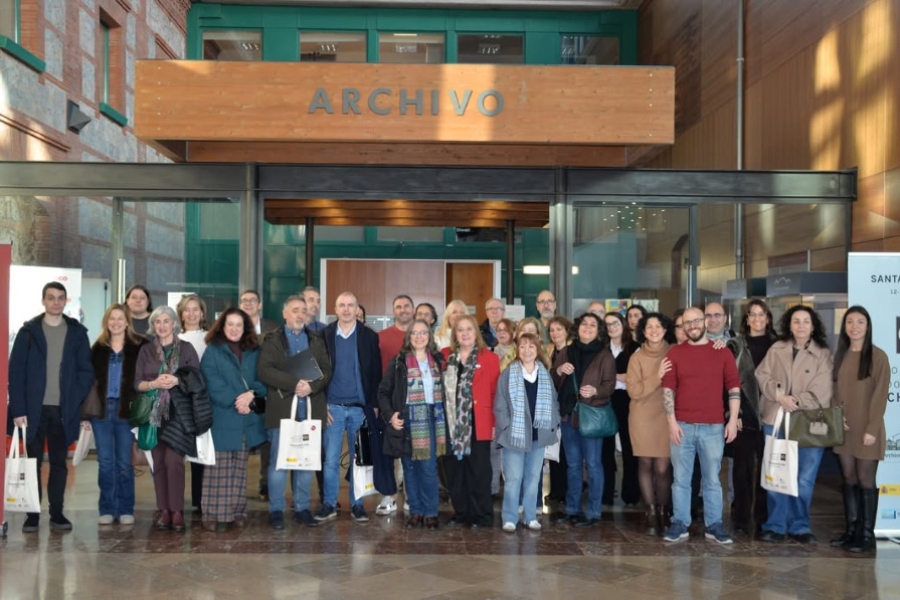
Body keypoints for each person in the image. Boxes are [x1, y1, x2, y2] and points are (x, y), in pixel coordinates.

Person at [8, 282, 95, 533]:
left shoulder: (77, 332)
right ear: (43, 301)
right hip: (33, 411)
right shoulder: (29, 332)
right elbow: (16, 372)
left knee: (58, 463)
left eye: (60, 298)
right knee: (32, 463)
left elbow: (85, 371)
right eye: (51, 298)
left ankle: (57, 514)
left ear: (66, 301)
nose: (56, 302)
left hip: (63, 411)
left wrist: (74, 395)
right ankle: (32, 515)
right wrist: (19, 409)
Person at [660, 306, 740, 545]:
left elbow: (734, 387)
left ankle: (714, 524)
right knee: (681, 479)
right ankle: (680, 522)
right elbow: (668, 391)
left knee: (712, 480)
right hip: (682, 426)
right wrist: (671, 423)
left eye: (696, 321)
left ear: (704, 321)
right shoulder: (674, 353)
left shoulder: (722, 352)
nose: (692, 325)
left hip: (713, 427)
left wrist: (733, 420)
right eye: (687, 323)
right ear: (683, 326)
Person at [755, 305, 833, 545]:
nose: (801, 325)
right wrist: (780, 397)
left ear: (813, 325)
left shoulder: (823, 354)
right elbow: (762, 375)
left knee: (804, 478)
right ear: (789, 324)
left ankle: (800, 526)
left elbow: (823, 390)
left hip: (809, 423)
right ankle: (775, 525)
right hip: (776, 419)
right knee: (777, 474)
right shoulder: (776, 349)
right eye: (796, 321)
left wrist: (796, 401)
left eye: (806, 321)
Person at [257, 295, 332, 530]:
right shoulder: (272, 340)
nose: (300, 314)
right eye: (295, 310)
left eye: (303, 310)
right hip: (283, 411)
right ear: (285, 314)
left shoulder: (316, 340)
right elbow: (265, 371)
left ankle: (301, 508)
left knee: (306, 462)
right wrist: (295, 383)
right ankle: (276, 510)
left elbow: (326, 371)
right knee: (279, 462)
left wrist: (311, 386)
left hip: (310, 409)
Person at [135, 305, 209, 533]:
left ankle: (176, 511)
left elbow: (197, 380)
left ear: (174, 324)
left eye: (166, 321)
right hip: (153, 415)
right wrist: (154, 384)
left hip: (178, 414)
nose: (162, 325)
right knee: (158, 464)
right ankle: (163, 511)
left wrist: (177, 381)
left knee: (173, 462)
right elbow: (136, 383)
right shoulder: (146, 350)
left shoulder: (186, 349)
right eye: (158, 322)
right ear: (153, 325)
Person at [318, 292, 388, 524]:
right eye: (342, 305)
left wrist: (374, 405)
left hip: (360, 408)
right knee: (330, 461)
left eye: (350, 305)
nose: (346, 309)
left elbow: (376, 373)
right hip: (333, 408)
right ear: (335, 309)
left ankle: (357, 505)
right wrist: (321, 404)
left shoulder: (369, 336)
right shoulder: (324, 335)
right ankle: (329, 503)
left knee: (361, 459)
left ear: (357, 308)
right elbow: (316, 372)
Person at [198, 308, 268, 531]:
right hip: (222, 417)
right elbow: (212, 383)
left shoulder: (255, 351)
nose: (235, 329)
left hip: (246, 420)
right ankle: (211, 514)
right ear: (222, 326)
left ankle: (236, 511)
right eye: (230, 324)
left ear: (245, 328)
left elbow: (263, 378)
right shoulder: (212, 351)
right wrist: (238, 400)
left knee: (240, 468)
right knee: (218, 469)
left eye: (239, 325)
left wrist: (251, 396)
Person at [378, 319, 449, 530]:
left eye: (423, 332)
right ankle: (416, 511)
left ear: (429, 336)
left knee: (427, 469)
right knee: (409, 468)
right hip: (408, 418)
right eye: (415, 333)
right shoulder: (399, 361)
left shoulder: (438, 360)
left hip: (431, 417)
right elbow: (383, 392)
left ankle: (430, 513)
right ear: (409, 337)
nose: (419, 336)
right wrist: (390, 415)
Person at [831, 306, 890, 553]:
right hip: (844, 427)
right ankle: (852, 530)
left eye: (860, 322)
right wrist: (837, 418)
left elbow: (880, 395)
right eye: (850, 322)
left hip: (867, 428)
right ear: (844, 327)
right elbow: (835, 391)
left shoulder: (878, 356)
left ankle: (867, 535)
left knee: (866, 479)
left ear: (868, 326)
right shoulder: (841, 355)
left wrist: (872, 428)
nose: (855, 327)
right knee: (848, 478)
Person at [551, 312, 616, 527]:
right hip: (569, 416)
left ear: (599, 331)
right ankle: (572, 509)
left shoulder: (605, 355)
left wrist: (595, 391)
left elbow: (610, 385)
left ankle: (594, 512)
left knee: (594, 465)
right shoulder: (567, 351)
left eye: (593, 325)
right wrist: (559, 369)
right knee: (573, 465)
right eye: (584, 324)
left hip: (591, 417)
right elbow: (552, 376)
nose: (587, 327)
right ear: (577, 328)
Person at [87, 303, 148, 526]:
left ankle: (125, 508)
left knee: (124, 462)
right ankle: (106, 508)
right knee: (105, 462)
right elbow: (88, 382)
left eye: (120, 318)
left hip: (126, 412)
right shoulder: (98, 348)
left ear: (127, 321)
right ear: (106, 322)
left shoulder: (140, 346)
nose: (116, 322)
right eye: (111, 319)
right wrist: (85, 416)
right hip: (101, 412)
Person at [495, 333, 560, 532]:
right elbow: (500, 404)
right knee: (514, 478)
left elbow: (553, 402)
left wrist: (554, 422)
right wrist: (506, 426)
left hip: (537, 436)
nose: (527, 350)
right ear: (517, 349)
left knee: (533, 478)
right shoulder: (509, 373)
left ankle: (530, 516)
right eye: (523, 346)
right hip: (514, 436)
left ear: (537, 349)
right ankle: (510, 517)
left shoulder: (544, 373)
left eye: (531, 347)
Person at [442, 314, 501, 528]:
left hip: (479, 421)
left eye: (469, 329)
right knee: (455, 472)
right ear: (455, 334)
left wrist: (495, 423)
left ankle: (482, 516)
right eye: (460, 330)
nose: (465, 333)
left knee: (479, 471)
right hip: (451, 423)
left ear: (476, 332)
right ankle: (462, 513)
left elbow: (496, 394)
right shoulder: (445, 355)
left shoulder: (490, 358)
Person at [726, 299, 776, 535]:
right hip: (743, 414)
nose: (756, 319)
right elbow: (726, 381)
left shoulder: (778, 345)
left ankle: (763, 518)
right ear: (746, 319)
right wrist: (731, 413)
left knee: (767, 469)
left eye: (761, 314)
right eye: (752, 315)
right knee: (742, 469)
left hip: (772, 413)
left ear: (768, 317)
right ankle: (742, 518)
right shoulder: (734, 345)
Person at [626, 313, 673, 535]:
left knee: (662, 468)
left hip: (666, 416)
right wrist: (657, 376)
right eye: (649, 327)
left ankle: (664, 510)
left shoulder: (674, 352)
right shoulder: (636, 357)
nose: (654, 330)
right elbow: (634, 391)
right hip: (642, 415)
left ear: (665, 330)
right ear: (643, 331)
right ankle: (651, 512)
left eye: (659, 326)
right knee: (645, 464)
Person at [376, 294, 416, 517]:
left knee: (411, 453)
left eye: (406, 306)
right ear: (394, 311)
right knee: (387, 454)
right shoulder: (381, 337)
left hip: (414, 404)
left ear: (413, 309)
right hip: (387, 404)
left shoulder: (421, 337)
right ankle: (388, 494)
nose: (403, 310)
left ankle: (411, 495)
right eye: (398, 306)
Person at [239, 288, 279, 501]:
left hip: (267, 394)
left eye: (252, 300)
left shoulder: (273, 328)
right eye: (244, 300)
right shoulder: (233, 328)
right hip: (240, 395)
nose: (248, 304)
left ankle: (266, 486)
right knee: (241, 444)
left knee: (267, 443)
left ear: (260, 304)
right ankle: (238, 490)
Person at [602, 311, 639, 507]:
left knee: (629, 448)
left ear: (623, 324)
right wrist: (619, 375)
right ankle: (606, 494)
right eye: (607, 324)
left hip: (626, 399)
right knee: (605, 449)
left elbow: (634, 377)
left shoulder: (634, 347)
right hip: (606, 399)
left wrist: (611, 375)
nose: (611, 327)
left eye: (615, 323)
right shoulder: (602, 347)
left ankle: (631, 494)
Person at [177, 293, 210, 512]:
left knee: (200, 454)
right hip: (178, 401)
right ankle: (174, 502)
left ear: (202, 312)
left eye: (195, 309)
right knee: (176, 454)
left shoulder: (210, 338)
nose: (191, 313)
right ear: (181, 313)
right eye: (187, 309)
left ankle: (199, 501)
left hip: (202, 401)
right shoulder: (172, 336)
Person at [544, 315, 573, 508]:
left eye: (559, 329)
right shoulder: (549, 351)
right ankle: (555, 490)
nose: (555, 333)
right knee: (553, 451)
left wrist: (557, 372)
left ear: (567, 331)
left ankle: (563, 491)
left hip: (565, 409)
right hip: (551, 409)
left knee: (564, 453)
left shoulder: (570, 352)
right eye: (552, 330)